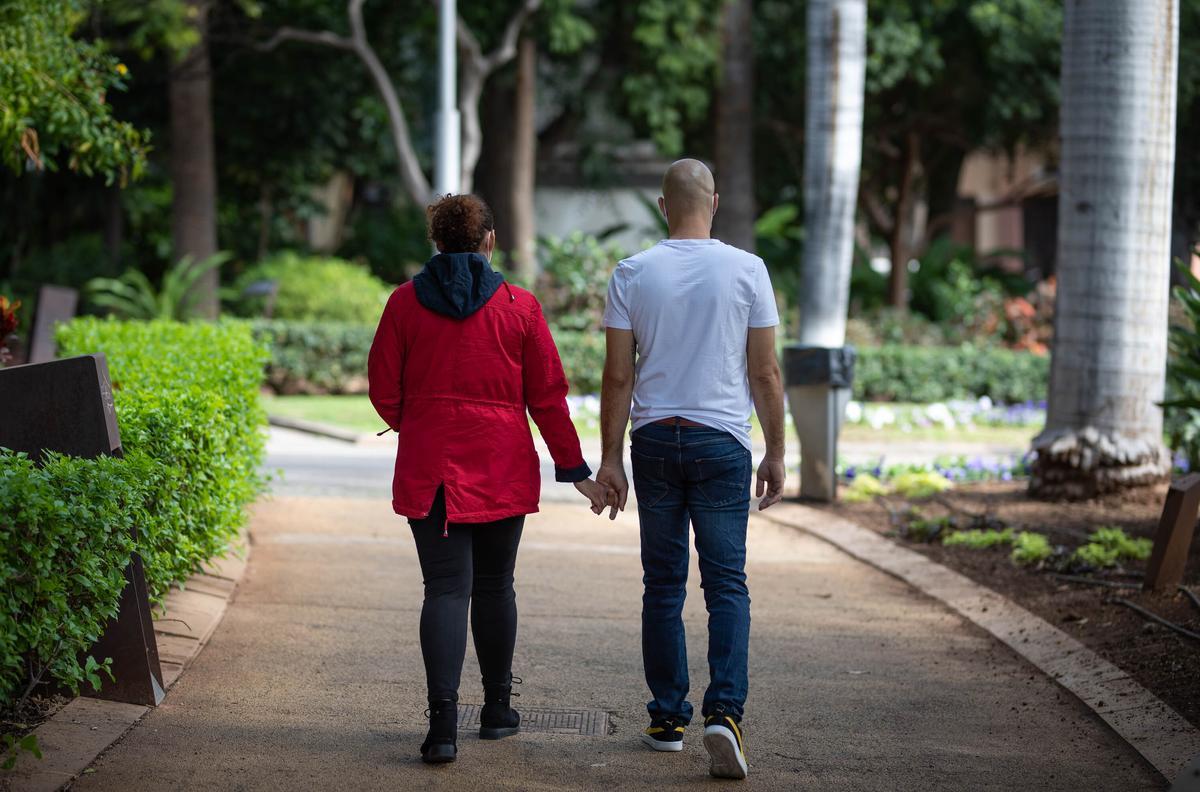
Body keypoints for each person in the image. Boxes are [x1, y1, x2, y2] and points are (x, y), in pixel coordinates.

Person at [368, 194, 610, 765]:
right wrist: (576, 471)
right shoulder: (518, 307)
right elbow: (548, 398)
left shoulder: (403, 304)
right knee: (497, 586)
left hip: (432, 471)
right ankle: (497, 711)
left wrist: (421, 424)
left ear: (437, 243)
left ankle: (442, 727)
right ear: (490, 241)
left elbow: (383, 389)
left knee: (446, 590)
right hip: (501, 465)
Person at [596, 159, 786, 780]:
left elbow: (618, 375)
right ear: (716, 202)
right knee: (726, 582)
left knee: (663, 584)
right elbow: (765, 373)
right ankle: (724, 715)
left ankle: (667, 718)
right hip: (723, 441)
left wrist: (609, 459)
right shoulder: (748, 269)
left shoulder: (632, 272)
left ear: (661, 206)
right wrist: (777, 452)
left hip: (653, 440)